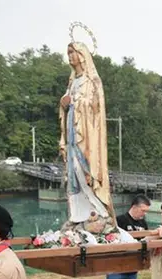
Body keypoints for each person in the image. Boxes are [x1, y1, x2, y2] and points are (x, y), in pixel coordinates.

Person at [58, 41, 115, 226]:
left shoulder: (91, 81)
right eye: (68, 53)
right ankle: (77, 213)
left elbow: (95, 107)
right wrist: (64, 104)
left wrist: (74, 100)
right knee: (73, 170)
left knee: (85, 169)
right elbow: (66, 104)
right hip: (72, 131)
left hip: (86, 135)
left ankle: (97, 210)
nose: (70, 57)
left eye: (72, 52)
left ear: (82, 55)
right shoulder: (73, 81)